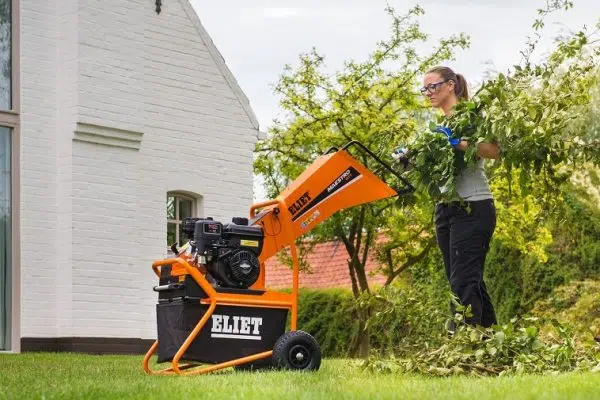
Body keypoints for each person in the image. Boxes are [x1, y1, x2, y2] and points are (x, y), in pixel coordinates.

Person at [418, 66, 500, 329]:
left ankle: (463, 345)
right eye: (425, 89)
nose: (428, 93)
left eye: (433, 86)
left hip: (473, 207)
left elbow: (493, 150)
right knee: (465, 279)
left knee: (463, 281)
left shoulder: (471, 115)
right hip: (446, 208)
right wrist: (414, 159)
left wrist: (458, 143)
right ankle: (490, 341)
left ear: (451, 85)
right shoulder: (438, 126)